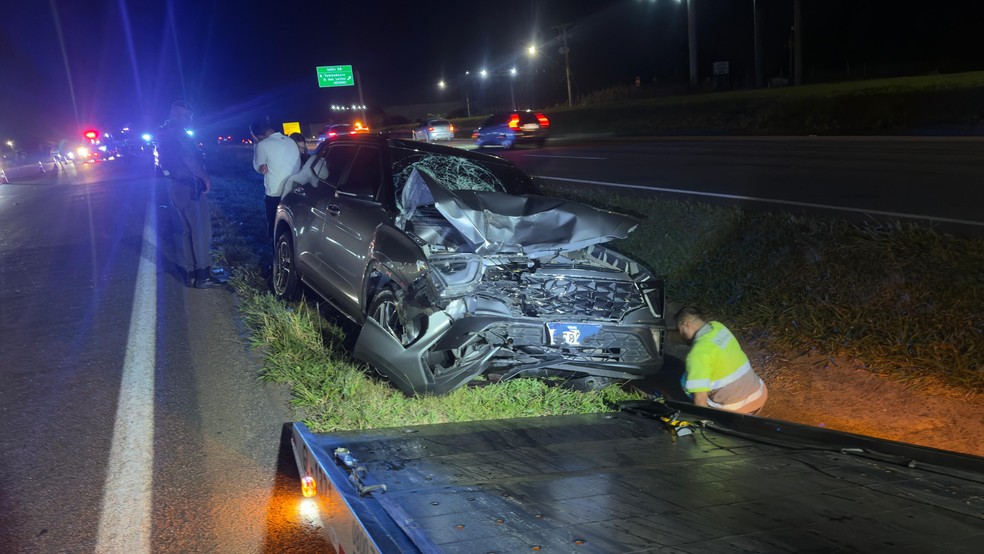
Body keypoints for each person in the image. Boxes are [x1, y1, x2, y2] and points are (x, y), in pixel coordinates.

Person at [156, 101, 224, 288]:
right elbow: (188, 159)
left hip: (175, 187)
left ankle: (192, 273)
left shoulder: (163, 132)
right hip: (189, 187)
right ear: (178, 114)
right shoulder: (178, 133)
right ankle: (204, 275)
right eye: (187, 116)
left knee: (187, 231)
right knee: (201, 231)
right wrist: (205, 178)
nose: (189, 120)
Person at [675, 306, 768, 414]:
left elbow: (700, 402)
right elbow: (693, 340)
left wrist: (701, 420)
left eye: (679, 330)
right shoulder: (719, 327)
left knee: (686, 381)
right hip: (759, 396)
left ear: (686, 324)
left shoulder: (697, 355)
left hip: (737, 411)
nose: (680, 334)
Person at [250, 120, 301, 239]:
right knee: (289, 228)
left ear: (258, 135)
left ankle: (275, 252)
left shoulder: (262, 145)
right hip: (293, 190)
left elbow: (258, 167)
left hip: (275, 193)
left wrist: (256, 144)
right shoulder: (291, 141)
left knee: (274, 228)